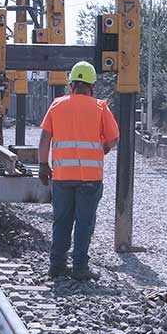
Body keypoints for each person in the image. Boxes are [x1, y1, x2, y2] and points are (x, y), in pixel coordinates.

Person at [37, 61, 120, 280]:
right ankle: (80, 268)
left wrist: (43, 165)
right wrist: (104, 147)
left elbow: (45, 137)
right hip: (90, 179)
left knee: (62, 220)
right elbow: (113, 138)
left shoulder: (57, 105)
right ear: (91, 86)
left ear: (71, 84)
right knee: (84, 222)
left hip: (62, 177)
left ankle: (56, 265)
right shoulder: (100, 107)